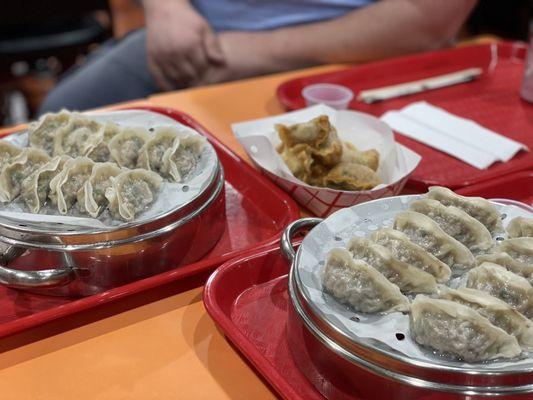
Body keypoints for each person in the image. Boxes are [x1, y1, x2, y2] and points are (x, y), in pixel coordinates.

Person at [39, 0, 477, 114]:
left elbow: (426, 24)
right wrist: (166, 8)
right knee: (56, 115)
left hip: (357, 60)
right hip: (191, 41)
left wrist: (242, 53)